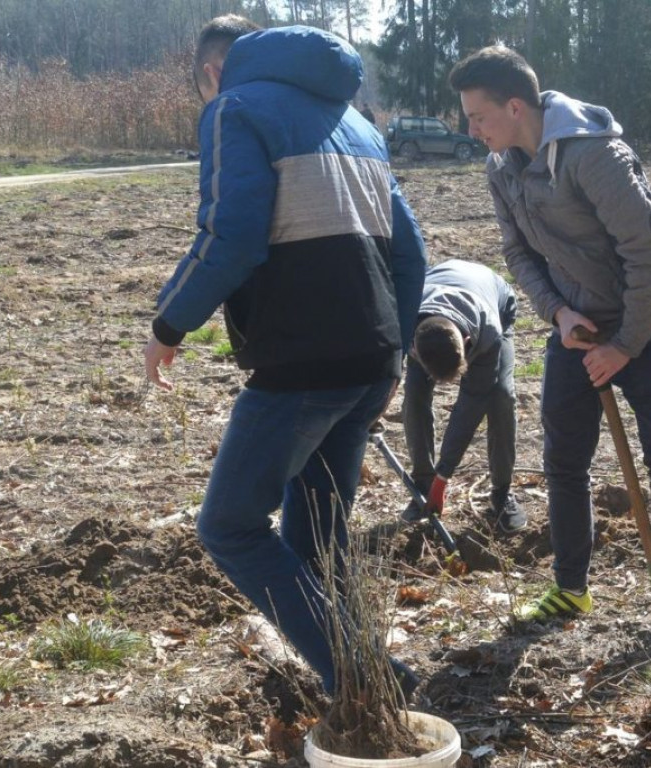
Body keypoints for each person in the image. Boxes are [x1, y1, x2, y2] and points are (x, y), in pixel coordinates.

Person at [144, 17, 427, 695]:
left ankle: (364, 679)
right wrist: (396, 351)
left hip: (302, 365)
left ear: (212, 73)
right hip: (369, 362)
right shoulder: (357, 124)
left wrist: (169, 323)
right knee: (316, 541)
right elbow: (410, 252)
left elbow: (231, 236)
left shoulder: (232, 111)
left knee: (231, 526)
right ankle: (368, 689)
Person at [448, 46, 651, 647]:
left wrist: (624, 345)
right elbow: (518, 252)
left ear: (514, 106)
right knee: (563, 461)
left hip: (646, 322)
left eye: (478, 116)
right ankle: (571, 586)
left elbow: (646, 258)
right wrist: (559, 312)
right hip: (576, 326)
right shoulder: (501, 167)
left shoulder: (595, 156)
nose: (471, 130)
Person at [401, 259, 526, 535]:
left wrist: (443, 476)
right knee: (414, 394)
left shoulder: (487, 332)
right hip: (433, 299)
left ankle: (502, 493)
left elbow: (470, 408)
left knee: (500, 397)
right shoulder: (403, 320)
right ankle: (421, 483)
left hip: (493, 296)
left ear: (467, 344)